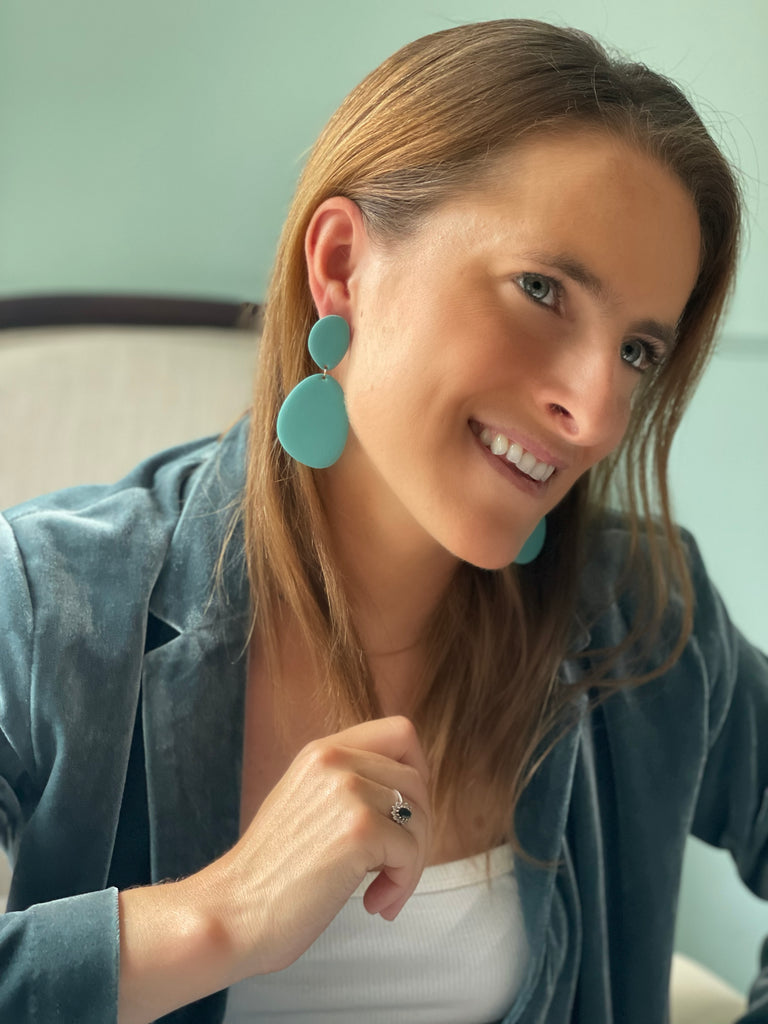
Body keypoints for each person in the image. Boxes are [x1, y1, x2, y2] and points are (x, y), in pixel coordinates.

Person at [0, 17, 765, 1024]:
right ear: (342, 264)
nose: (595, 414)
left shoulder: (644, 617)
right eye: (542, 290)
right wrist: (220, 916)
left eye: (637, 352)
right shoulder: (48, 599)